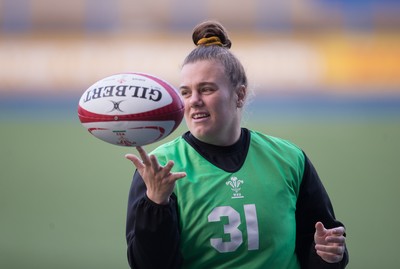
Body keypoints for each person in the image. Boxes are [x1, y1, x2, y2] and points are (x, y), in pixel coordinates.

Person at [125, 20, 349, 269]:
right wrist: (156, 203)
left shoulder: (289, 159)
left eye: (206, 89)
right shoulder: (160, 169)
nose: (194, 101)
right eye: (186, 92)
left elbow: (321, 244)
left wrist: (327, 255)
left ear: (239, 94)